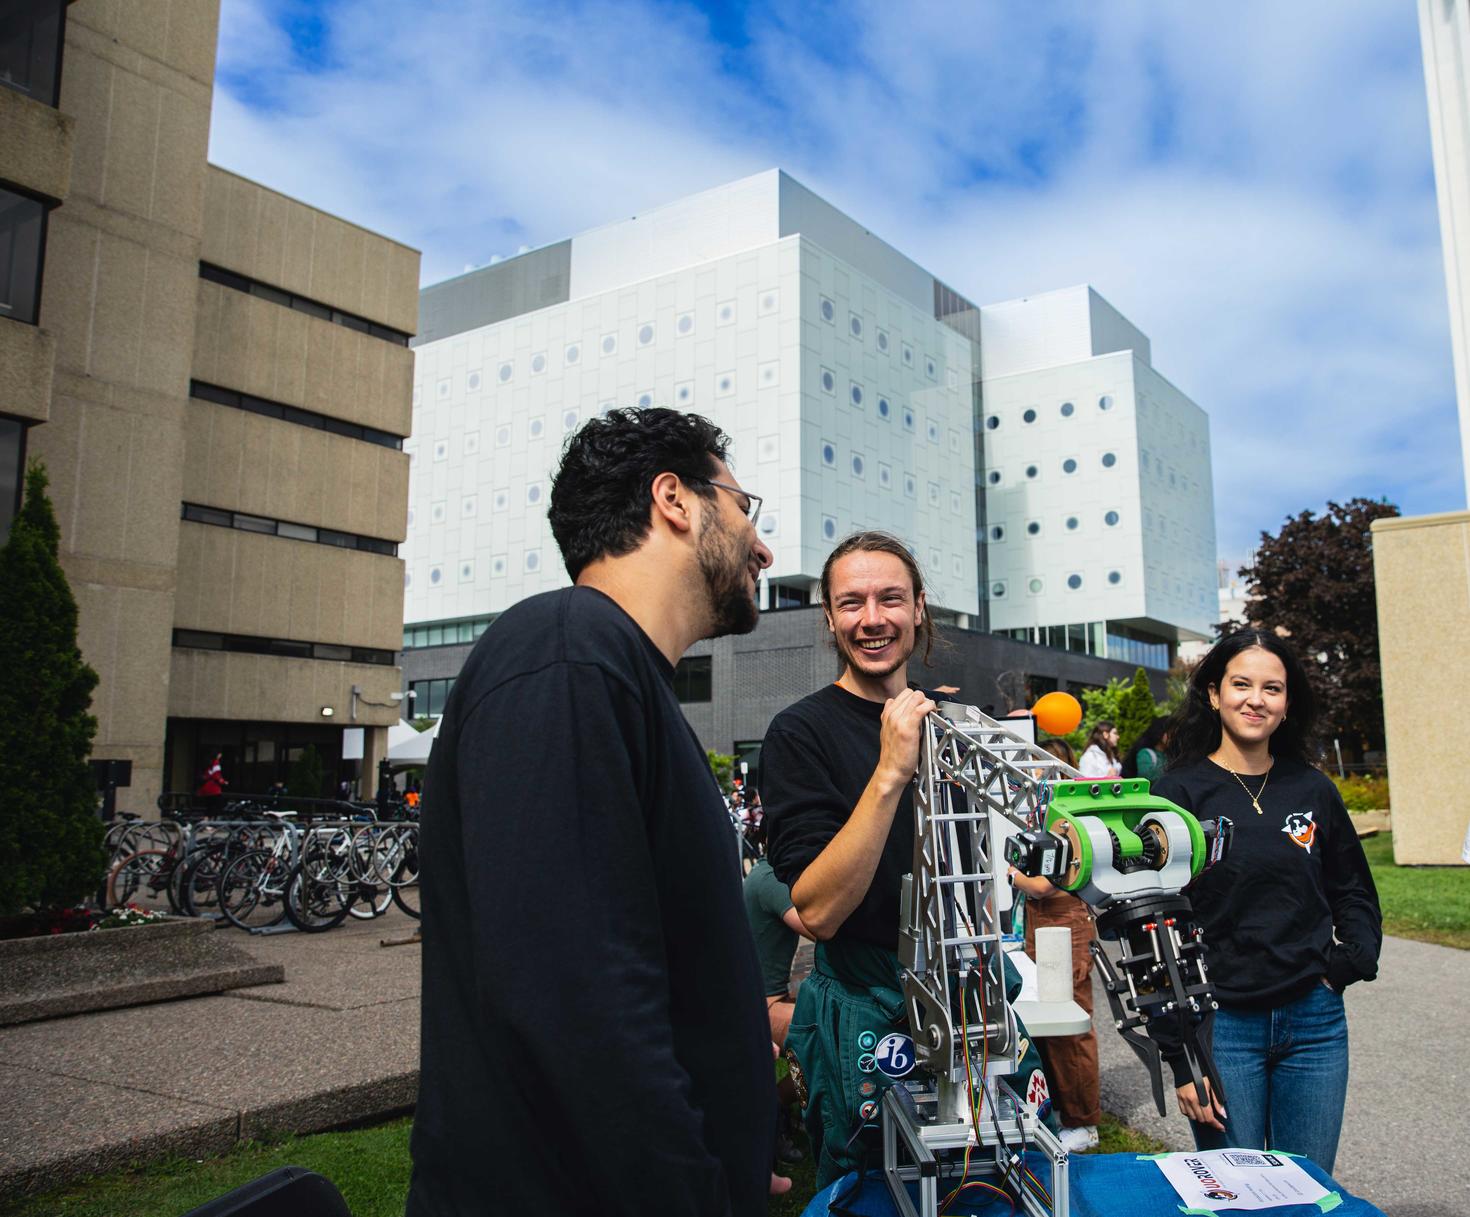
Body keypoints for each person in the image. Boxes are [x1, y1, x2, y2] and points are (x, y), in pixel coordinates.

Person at [405, 408, 777, 1216]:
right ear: (675, 499)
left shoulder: (614, 672)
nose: (763, 546)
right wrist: (696, 1189)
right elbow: (579, 1003)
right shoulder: (567, 651)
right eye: (748, 508)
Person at [762, 531, 1058, 1187]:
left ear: (919, 607)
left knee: (1010, 1174)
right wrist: (891, 769)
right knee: (876, 1184)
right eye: (852, 602)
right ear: (830, 617)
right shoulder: (799, 732)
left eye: (890, 598)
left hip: (971, 995)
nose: (873, 618)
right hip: (869, 1007)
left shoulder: (953, 726)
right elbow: (819, 910)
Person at [1151, 629, 1381, 1173]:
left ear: (1286, 704)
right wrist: (1183, 1057)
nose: (1257, 699)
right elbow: (1156, 928)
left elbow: (1353, 889)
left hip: (1315, 1023)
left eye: (1272, 688)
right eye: (1242, 684)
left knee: (1309, 1187)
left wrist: (1348, 963)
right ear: (1213, 693)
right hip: (1223, 1028)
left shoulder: (1313, 789)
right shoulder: (1177, 795)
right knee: (1240, 1194)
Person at [1010, 736, 1102, 1153]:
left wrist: (1011, 873)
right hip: (1043, 926)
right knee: (1046, 1023)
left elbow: (1045, 885)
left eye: (1036, 765)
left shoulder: (1068, 819)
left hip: (1064, 927)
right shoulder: (1045, 814)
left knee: (1070, 1028)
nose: (1030, 773)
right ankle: (1063, 1110)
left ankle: (1083, 1121)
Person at [1121, 718, 1168, 782]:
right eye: (1169, 732)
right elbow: (1145, 776)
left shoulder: (1170, 754)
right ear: (1159, 733)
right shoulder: (1145, 753)